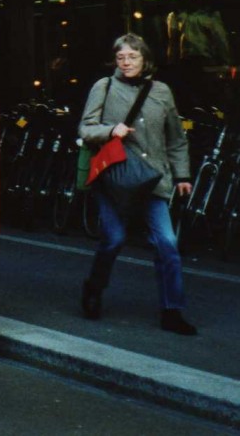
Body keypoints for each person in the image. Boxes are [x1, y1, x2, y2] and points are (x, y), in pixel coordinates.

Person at [77, 33, 196, 335]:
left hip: (152, 179)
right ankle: (94, 288)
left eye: (132, 57)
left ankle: (172, 310)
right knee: (114, 238)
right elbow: (85, 128)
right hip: (115, 179)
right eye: (120, 57)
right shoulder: (104, 87)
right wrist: (110, 130)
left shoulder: (162, 92)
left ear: (145, 59)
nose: (126, 62)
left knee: (167, 243)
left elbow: (176, 138)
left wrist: (182, 176)